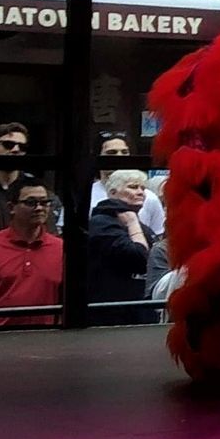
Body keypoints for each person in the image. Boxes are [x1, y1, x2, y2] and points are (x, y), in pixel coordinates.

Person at [0, 179, 63, 326]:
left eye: (44, 202)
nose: (39, 208)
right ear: (11, 207)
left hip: (46, 339)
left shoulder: (61, 248)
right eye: (31, 202)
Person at [86, 168, 154, 323]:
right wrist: (132, 223)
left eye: (143, 188)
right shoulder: (101, 223)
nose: (140, 192)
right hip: (111, 312)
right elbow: (139, 257)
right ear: (113, 192)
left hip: (140, 309)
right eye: (133, 187)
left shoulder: (141, 226)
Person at [88, 132, 164, 238]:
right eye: (112, 153)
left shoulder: (148, 197)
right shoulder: (86, 195)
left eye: (124, 152)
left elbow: (158, 236)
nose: (120, 158)